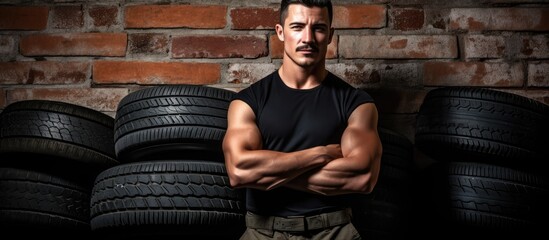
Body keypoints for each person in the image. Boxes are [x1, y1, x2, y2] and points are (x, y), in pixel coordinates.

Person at [222, 0, 382, 239]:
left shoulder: (357, 103)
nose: (307, 38)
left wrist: (268, 175)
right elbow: (239, 171)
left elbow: (362, 177)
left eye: (318, 28)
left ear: (330, 35)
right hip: (263, 232)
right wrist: (320, 155)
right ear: (280, 32)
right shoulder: (248, 101)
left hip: (334, 231)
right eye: (297, 26)